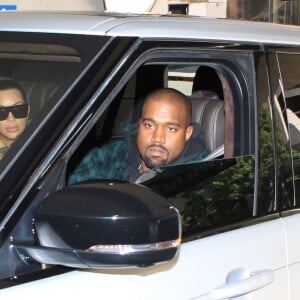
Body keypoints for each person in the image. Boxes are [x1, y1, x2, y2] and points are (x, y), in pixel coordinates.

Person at [68, 88, 208, 185]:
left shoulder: (199, 176)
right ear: (139, 125)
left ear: (187, 134)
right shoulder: (106, 158)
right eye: (149, 125)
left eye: (171, 129)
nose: (157, 138)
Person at [0, 79, 29, 160]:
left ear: (27, 111)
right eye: (1, 112)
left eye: (18, 109)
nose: (11, 118)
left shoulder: (45, 144)